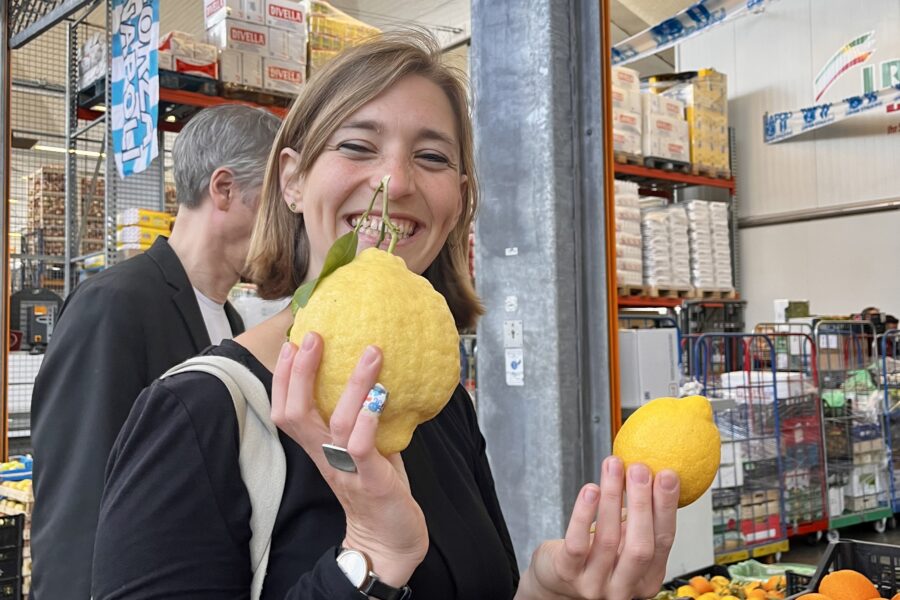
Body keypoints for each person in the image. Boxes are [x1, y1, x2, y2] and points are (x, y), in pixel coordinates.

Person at [92, 33, 680, 600]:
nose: (395, 182)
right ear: (293, 180)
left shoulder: (441, 403)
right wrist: (370, 559)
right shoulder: (199, 415)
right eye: (356, 146)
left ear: (458, 202)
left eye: (431, 157)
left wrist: (547, 592)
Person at [30, 104, 281, 600]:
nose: (289, 224)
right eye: (278, 203)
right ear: (225, 189)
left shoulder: (230, 323)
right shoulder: (116, 305)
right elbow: (77, 505)